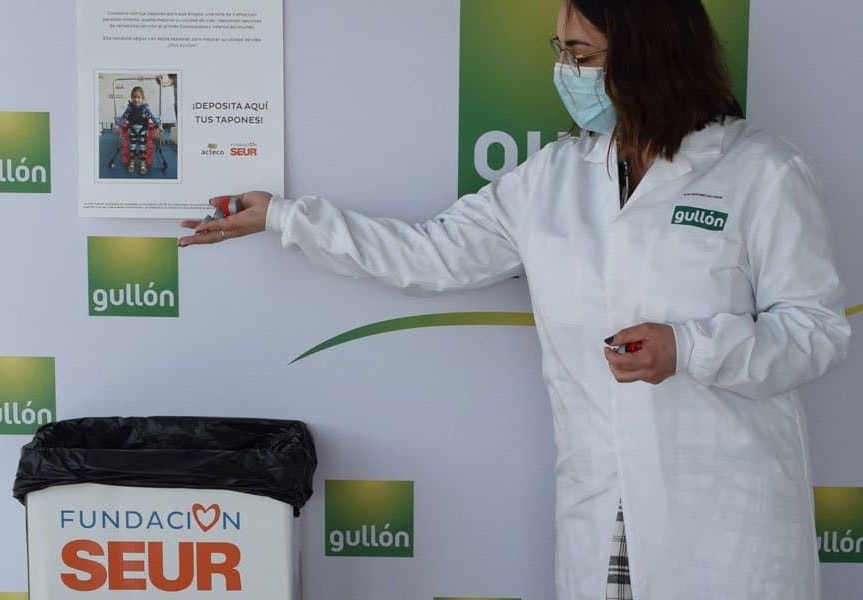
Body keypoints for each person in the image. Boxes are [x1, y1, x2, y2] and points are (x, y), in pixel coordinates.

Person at [178, 1, 851, 598]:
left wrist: (690, 348)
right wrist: (286, 218)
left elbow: (816, 330)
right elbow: (432, 252)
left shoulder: (761, 172)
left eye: (582, 54)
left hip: (724, 516)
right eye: (561, 51)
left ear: (649, 56)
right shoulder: (556, 177)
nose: (566, 71)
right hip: (601, 512)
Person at [116, 85, 162, 175]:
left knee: (142, 147)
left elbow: (152, 117)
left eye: (139, 97)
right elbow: (123, 117)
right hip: (132, 130)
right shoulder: (130, 108)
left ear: (142, 98)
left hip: (142, 131)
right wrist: (117, 124)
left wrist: (158, 125)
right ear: (131, 98)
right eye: (134, 97)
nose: (136, 99)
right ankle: (132, 161)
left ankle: (143, 162)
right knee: (132, 147)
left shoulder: (145, 108)